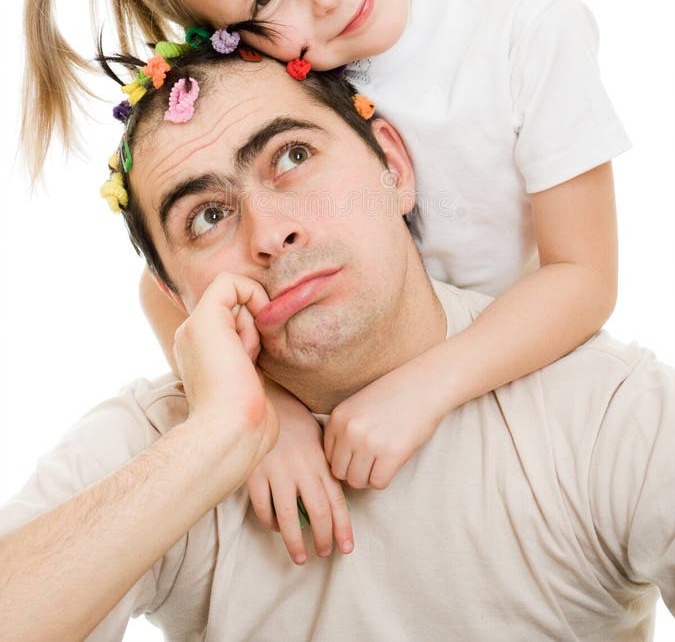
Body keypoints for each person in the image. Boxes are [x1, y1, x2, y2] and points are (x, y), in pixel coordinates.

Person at [20, 0, 631, 563]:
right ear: (223, 33)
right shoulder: (277, 81)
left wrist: (428, 386)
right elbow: (165, 291)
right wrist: (265, 416)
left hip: (509, 376)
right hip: (351, 404)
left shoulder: (527, 30)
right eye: (265, 0)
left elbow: (584, 278)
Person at [1, 51, 672, 641]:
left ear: (393, 166)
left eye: (292, 157)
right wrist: (222, 436)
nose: (270, 232)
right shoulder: (154, 442)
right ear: (177, 297)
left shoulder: (606, 408)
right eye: (207, 215)